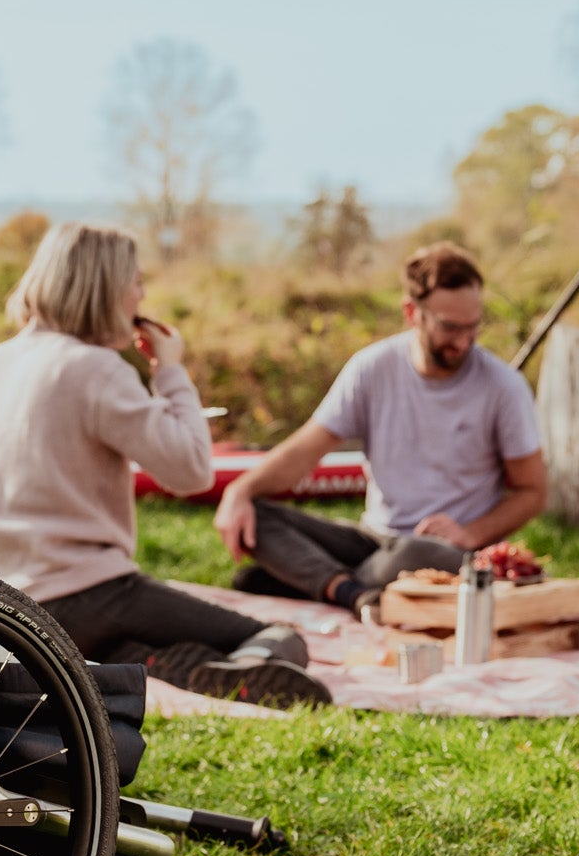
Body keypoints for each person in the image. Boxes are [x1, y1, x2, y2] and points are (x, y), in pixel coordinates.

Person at [0, 222, 332, 709]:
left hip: (4, 606)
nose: (142, 295)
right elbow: (192, 471)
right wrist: (169, 370)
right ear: (107, 289)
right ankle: (238, 668)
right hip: (91, 594)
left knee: (124, 646)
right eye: (136, 281)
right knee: (280, 637)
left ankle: (168, 669)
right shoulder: (94, 368)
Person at [212, 242, 547, 614]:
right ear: (411, 312)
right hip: (374, 540)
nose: (464, 341)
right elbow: (305, 451)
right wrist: (239, 491)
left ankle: (319, 581)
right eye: (450, 327)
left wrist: (470, 533)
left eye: (473, 327)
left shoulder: (503, 387)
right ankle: (351, 591)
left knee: (412, 553)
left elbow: (533, 491)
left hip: (450, 552)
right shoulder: (371, 368)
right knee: (257, 514)